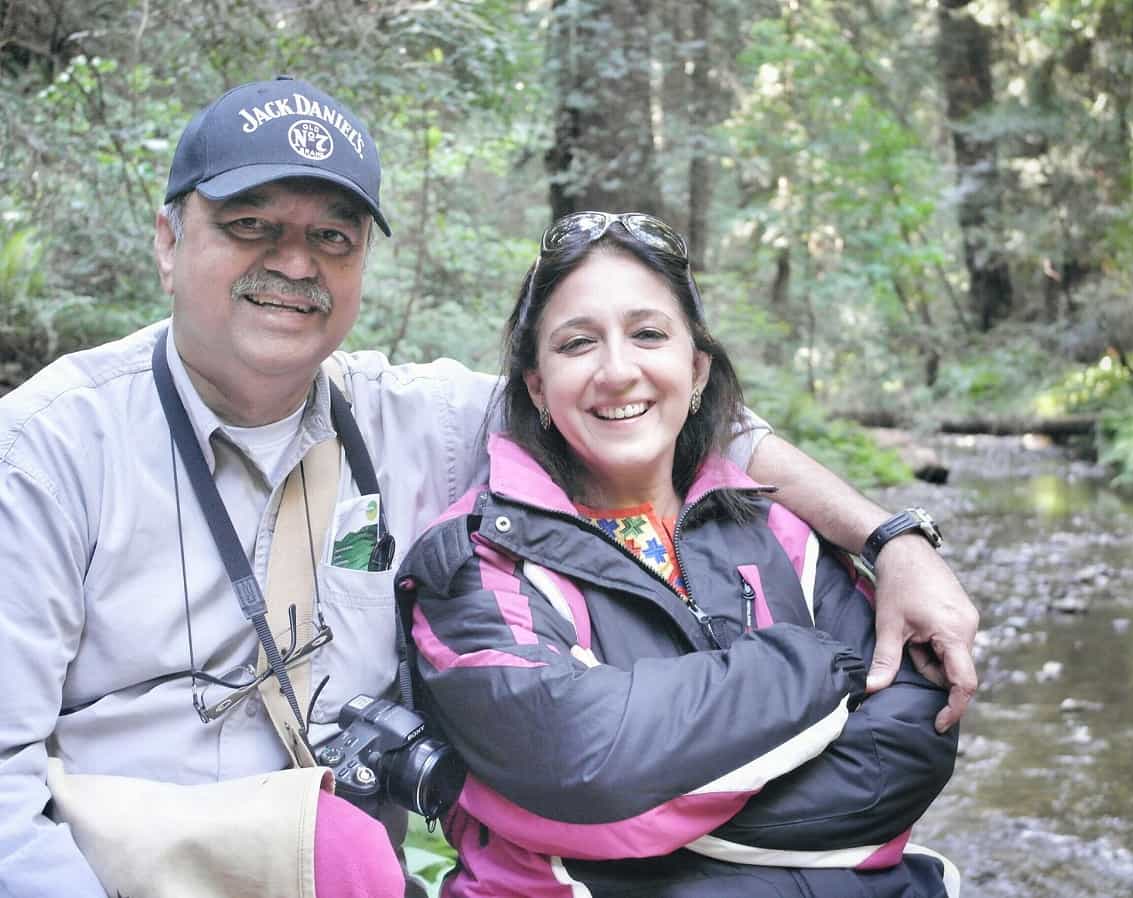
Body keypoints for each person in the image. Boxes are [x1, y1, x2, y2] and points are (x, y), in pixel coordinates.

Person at [0, 75, 974, 897]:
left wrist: (893, 541)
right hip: (125, 859)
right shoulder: (47, 452)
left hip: (352, 863)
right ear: (170, 240)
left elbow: (670, 417)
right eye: (251, 226)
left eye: (332, 237)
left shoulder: (404, 419)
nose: (293, 263)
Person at [398, 211, 961, 897]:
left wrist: (653, 821)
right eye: (577, 343)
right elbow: (582, 759)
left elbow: (910, 738)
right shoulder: (477, 562)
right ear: (538, 386)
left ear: (695, 371)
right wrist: (819, 665)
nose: (616, 370)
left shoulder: (777, 524)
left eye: (648, 334)